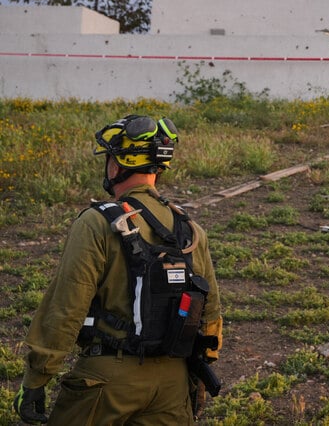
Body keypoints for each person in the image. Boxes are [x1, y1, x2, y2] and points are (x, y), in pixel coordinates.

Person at [13, 115, 223, 426]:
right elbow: (211, 313)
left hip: (106, 382)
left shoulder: (97, 223)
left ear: (116, 165)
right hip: (174, 385)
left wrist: (36, 379)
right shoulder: (189, 229)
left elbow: (66, 309)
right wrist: (198, 375)